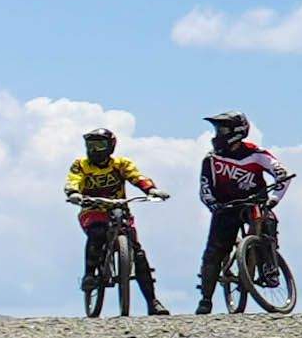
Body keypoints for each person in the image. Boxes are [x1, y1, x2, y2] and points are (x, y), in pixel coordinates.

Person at [66, 127, 169, 314]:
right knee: (97, 234)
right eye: (91, 145)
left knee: (138, 254)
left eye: (99, 145)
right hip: (92, 209)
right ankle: (89, 275)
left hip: (119, 209)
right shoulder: (81, 164)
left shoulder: (121, 164)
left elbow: (136, 177)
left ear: (110, 146)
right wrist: (73, 193)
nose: (94, 150)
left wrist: (151, 190)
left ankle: (153, 302)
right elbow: (74, 180)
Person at [192, 113, 289, 311]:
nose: (217, 135)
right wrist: (212, 204)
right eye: (216, 130)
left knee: (268, 222)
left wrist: (274, 199)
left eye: (222, 130)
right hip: (225, 207)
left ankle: (269, 266)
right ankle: (206, 299)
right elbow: (205, 188)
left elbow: (282, 174)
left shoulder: (256, 154)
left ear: (237, 132)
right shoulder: (211, 159)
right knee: (214, 251)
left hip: (255, 203)